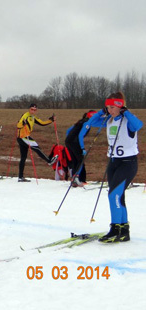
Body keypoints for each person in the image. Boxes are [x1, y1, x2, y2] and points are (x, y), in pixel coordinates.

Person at [78, 92, 142, 243]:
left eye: (113, 107)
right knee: (118, 196)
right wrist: (102, 112)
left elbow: (139, 125)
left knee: (114, 195)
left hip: (128, 163)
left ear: (120, 107)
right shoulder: (108, 120)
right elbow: (90, 122)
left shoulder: (128, 121)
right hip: (113, 163)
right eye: (108, 107)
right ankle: (124, 230)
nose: (110, 110)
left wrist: (126, 112)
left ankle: (115, 229)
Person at [16, 103, 58, 182]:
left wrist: (50, 120)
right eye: (32, 109)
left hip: (23, 138)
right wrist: (22, 123)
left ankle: (20, 177)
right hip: (23, 137)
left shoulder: (33, 117)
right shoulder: (26, 115)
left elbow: (41, 123)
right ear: (29, 109)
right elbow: (18, 125)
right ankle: (49, 161)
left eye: (35, 110)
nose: (33, 111)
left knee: (23, 157)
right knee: (36, 147)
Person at [65, 110, 96, 186]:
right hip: (75, 143)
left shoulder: (81, 121)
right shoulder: (87, 123)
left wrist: (69, 139)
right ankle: (76, 178)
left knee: (75, 160)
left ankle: (76, 179)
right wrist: (82, 147)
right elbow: (80, 136)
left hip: (68, 141)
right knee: (80, 160)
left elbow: (68, 131)